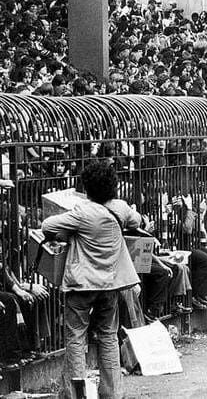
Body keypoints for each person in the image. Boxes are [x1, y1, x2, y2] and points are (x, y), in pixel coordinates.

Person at [42, 162, 141, 399]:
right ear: (113, 186)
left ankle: (78, 394)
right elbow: (136, 221)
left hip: (82, 284)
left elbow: (47, 225)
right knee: (108, 335)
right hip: (111, 284)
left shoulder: (82, 212)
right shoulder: (120, 208)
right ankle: (113, 393)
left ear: (87, 188)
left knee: (76, 337)